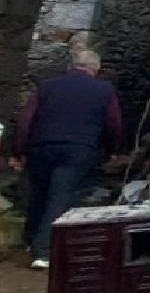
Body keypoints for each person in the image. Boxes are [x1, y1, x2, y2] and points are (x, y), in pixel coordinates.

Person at [12, 47, 122, 268]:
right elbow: (113, 123)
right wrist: (113, 150)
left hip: (42, 146)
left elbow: (26, 120)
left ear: (72, 66)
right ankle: (44, 252)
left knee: (39, 193)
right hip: (78, 148)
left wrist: (19, 150)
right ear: (96, 68)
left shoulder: (47, 86)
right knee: (60, 195)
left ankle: (30, 240)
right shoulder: (103, 89)